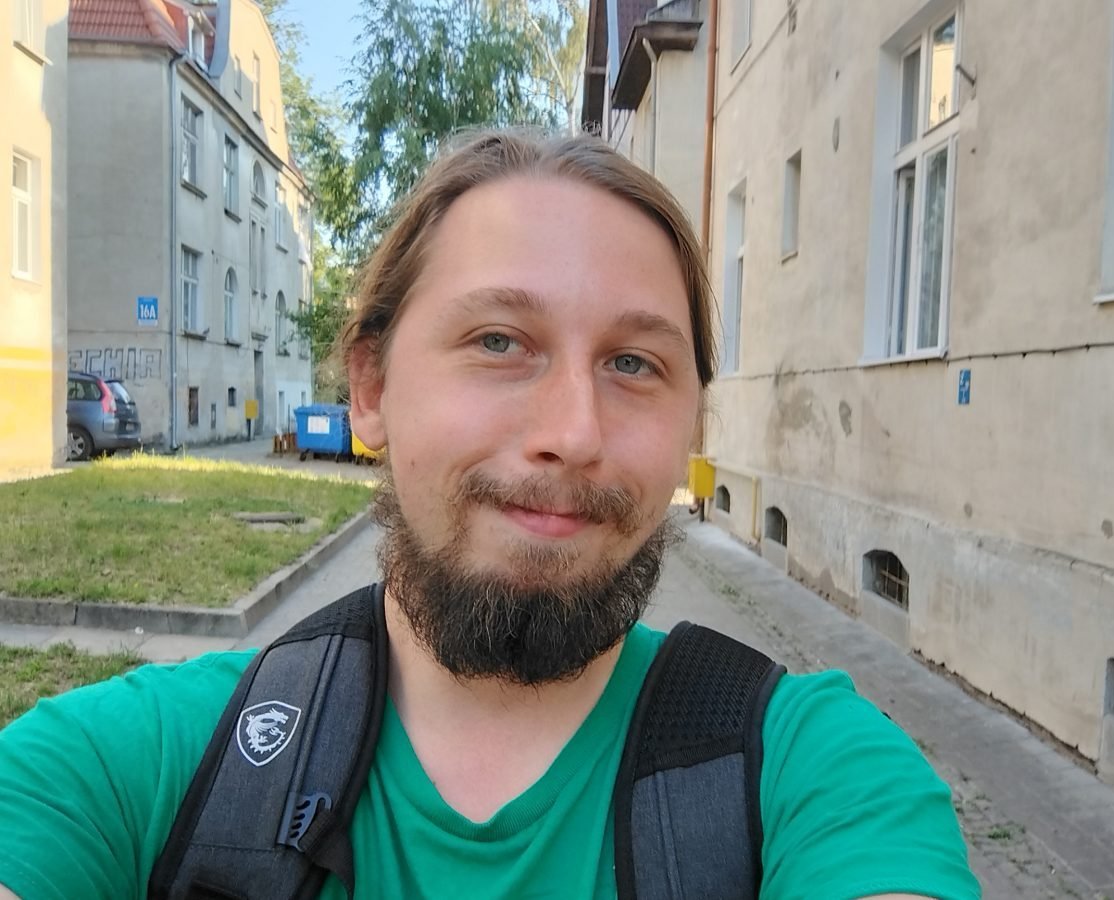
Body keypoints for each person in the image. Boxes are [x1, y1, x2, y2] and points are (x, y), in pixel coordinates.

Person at [0, 131, 980, 900]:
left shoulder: (815, 772)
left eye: (633, 363)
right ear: (371, 389)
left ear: (695, 419)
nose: (574, 434)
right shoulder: (126, 768)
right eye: (500, 341)